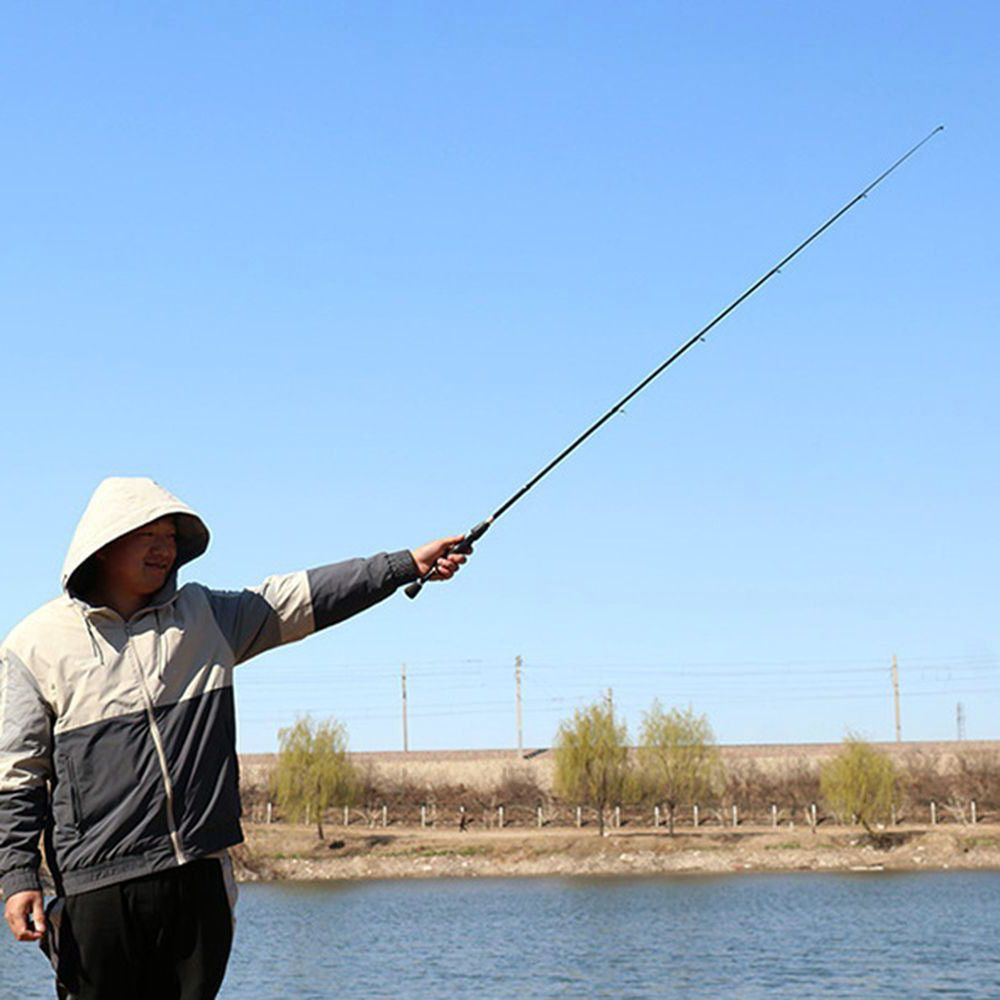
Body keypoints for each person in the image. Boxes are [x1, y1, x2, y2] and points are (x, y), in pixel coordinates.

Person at [0, 476, 469, 999]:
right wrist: (19, 877)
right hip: (96, 888)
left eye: (171, 537)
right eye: (146, 535)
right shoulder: (33, 644)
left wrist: (404, 564)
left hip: (199, 877)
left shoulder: (207, 618)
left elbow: (301, 597)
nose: (163, 549)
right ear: (104, 544)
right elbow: (18, 776)